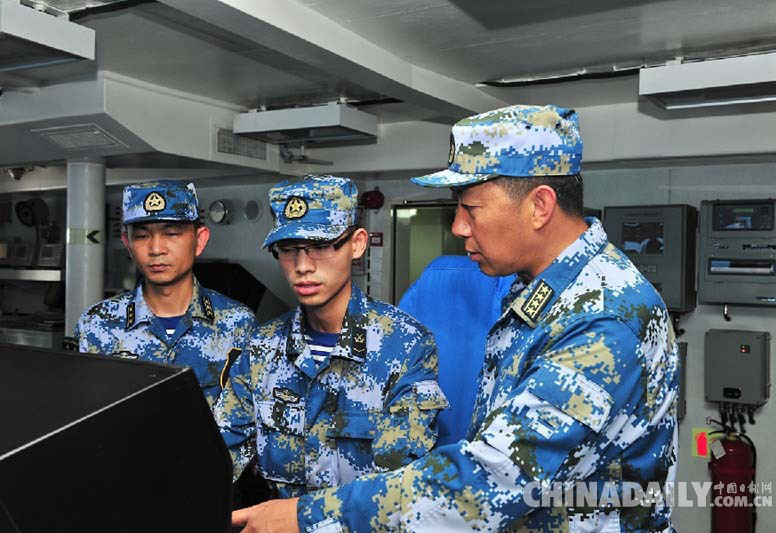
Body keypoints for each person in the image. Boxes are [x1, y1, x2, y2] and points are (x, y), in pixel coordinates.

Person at [231, 105, 679, 532]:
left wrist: (305, 518)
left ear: (539, 206)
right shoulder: (542, 293)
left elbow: (489, 484)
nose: (459, 227)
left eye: (472, 209)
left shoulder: (600, 316)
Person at [213, 175, 448, 500]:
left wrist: (300, 520)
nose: (303, 266)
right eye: (289, 250)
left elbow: (400, 490)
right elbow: (217, 454)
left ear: (357, 244)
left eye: (321, 247)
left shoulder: (405, 346)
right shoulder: (262, 349)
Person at [72, 180, 257, 405]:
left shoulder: (238, 323)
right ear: (128, 244)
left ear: (200, 240)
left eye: (171, 233)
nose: (156, 249)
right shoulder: (96, 324)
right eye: (141, 236)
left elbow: (247, 418)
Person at [398, 255, 514, 447]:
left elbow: (399, 348)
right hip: (487, 443)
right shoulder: (511, 288)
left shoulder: (431, 277)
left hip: (426, 433)